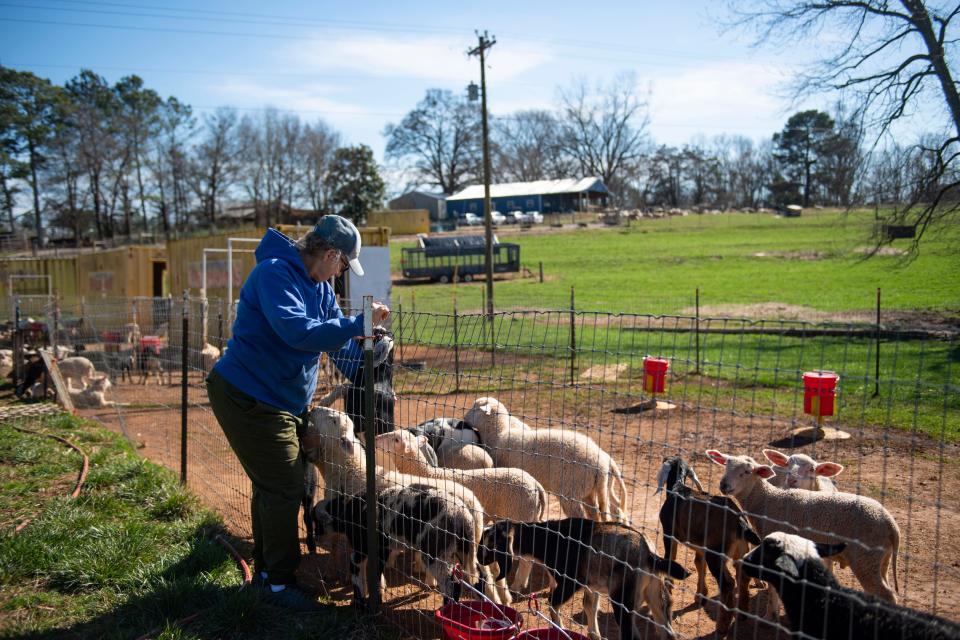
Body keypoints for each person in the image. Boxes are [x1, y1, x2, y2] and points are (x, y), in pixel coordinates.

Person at [206, 215, 389, 612]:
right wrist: (358, 321)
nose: (341, 273)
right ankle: (277, 584)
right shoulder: (275, 275)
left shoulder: (318, 287)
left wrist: (370, 351)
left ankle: (269, 573)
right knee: (286, 485)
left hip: (281, 400)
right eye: (342, 265)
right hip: (248, 396)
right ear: (329, 254)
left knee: (278, 483)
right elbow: (298, 332)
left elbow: (338, 346)